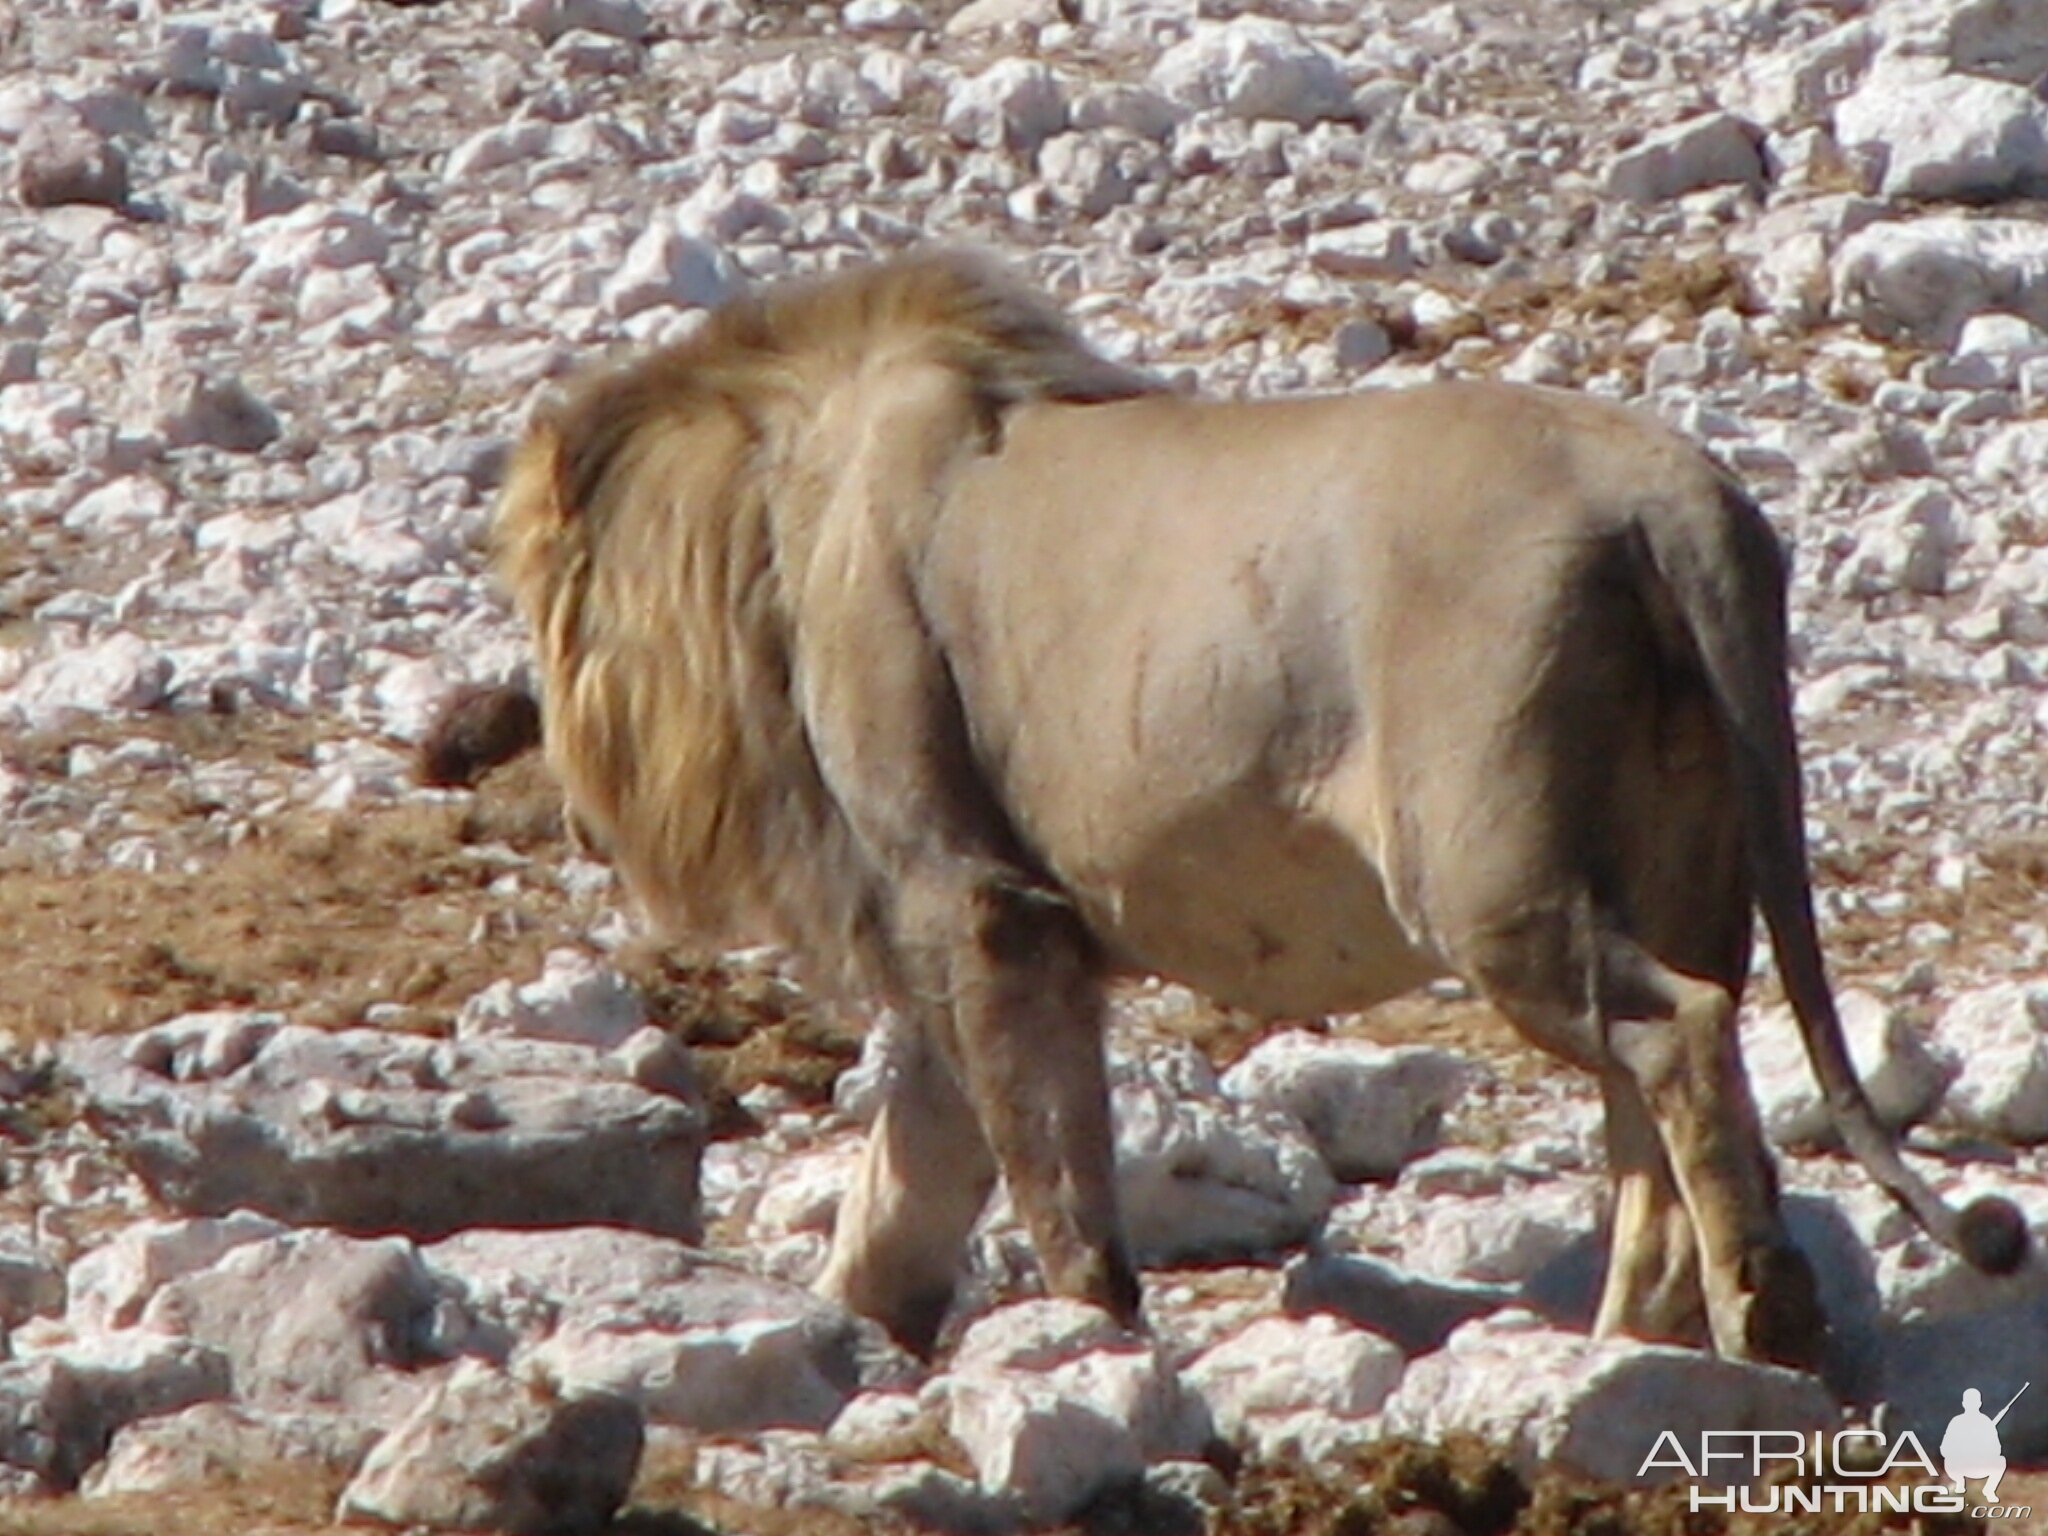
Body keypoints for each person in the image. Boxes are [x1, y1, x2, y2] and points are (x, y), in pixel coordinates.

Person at [1942, 1388, 2006, 1503]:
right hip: (1959, 1465)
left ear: (1979, 1404)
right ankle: (1959, 1483)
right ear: (1963, 1404)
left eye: (1974, 1402)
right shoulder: (1956, 1422)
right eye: (1969, 1402)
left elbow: (1997, 1449)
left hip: (1979, 1464)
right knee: (1949, 1461)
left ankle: (1989, 1490)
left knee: (2001, 1461)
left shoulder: (1985, 1422)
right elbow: (1945, 1448)